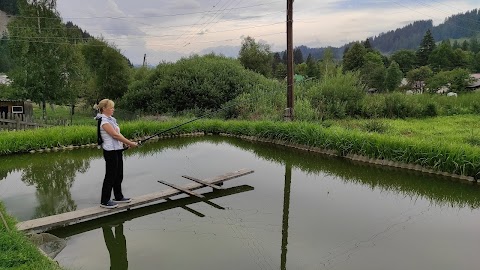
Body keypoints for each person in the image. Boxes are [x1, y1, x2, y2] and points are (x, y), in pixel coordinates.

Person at [95, 99, 138, 209]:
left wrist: (125, 144)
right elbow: (115, 136)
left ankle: (118, 196)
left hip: (117, 150)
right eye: (111, 107)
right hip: (110, 152)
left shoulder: (111, 120)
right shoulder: (104, 122)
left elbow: (119, 134)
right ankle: (104, 201)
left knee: (119, 174)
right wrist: (131, 143)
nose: (113, 109)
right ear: (104, 109)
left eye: (113, 107)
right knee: (110, 176)